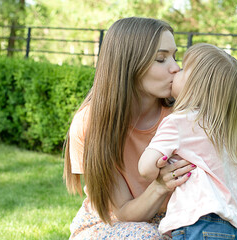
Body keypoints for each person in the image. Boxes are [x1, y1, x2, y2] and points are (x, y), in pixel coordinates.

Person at [63, 17, 196, 239]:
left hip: (175, 219)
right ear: (129, 64)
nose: (175, 68)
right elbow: (123, 211)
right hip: (109, 221)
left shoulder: (183, 116)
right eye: (161, 59)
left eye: (174, 56)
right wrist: (160, 186)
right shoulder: (89, 123)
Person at [138, 43, 237, 239]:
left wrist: (161, 172)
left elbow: (145, 168)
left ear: (195, 87)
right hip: (235, 228)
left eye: (183, 69)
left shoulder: (178, 122)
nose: (176, 70)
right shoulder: (223, 131)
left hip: (198, 223)